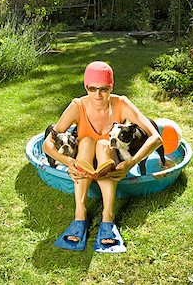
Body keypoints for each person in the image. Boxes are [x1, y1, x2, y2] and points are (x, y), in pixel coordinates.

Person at [42, 61, 163, 253]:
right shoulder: (77, 106)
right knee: (88, 141)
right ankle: (80, 213)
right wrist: (68, 161)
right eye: (92, 88)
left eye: (104, 89)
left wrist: (131, 162)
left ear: (111, 87)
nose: (98, 95)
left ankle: (108, 216)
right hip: (84, 161)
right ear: (85, 87)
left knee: (103, 143)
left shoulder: (121, 103)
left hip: (109, 161)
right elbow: (47, 144)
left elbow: (156, 137)